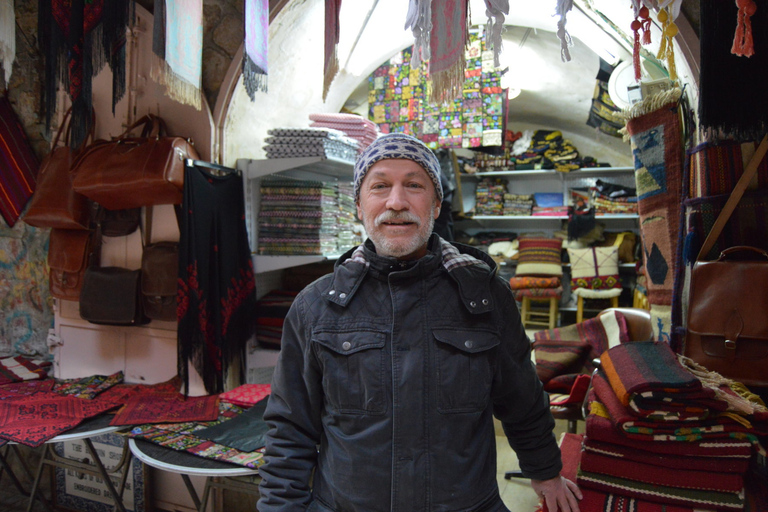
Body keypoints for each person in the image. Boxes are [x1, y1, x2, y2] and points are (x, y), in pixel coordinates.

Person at [257, 133, 582, 512]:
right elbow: (290, 427)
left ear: (437, 204)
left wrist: (545, 472)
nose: (396, 202)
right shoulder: (315, 307)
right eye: (380, 186)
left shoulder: (485, 296)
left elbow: (522, 398)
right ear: (358, 206)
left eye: (414, 185)